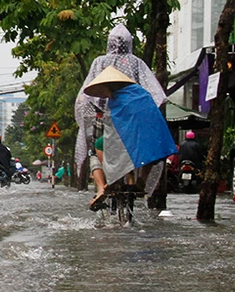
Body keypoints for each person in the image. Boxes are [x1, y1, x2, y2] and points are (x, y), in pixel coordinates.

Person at [75, 24, 168, 210]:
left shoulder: (99, 63)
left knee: (94, 149)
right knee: (150, 148)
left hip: (105, 119)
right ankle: (141, 180)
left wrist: (87, 115)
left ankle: (101, 187)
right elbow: (157, 94)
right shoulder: (137, 65)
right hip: (137, 122)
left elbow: (84, 98)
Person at [79, 65, 176, 210]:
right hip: (153, 139)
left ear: (110, 86)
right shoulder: (142, 94)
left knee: (97, 146)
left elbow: (112, 127)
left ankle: (105, 184)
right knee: (150, 150)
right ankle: (142, 180)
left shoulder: (116, 100)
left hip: (128, 139)